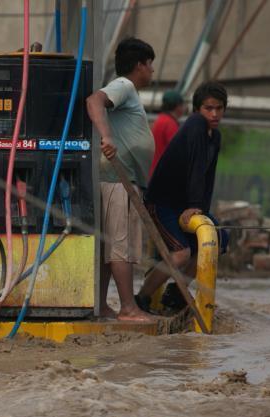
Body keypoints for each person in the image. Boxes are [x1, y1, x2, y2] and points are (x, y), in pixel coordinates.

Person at [137, 81, 230, 306]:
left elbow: (208, 176)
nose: (214, 113)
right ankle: (142, 299)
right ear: (197, 109)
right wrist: (194, 204)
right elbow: (196, 167)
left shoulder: (215, 137)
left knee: (219, 237)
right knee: (181, 253)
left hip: (184, 205)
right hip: (162, 202)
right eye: (209, 108)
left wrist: (203, 212)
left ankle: (176, 293)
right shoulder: (196, 124)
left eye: (219, 108)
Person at [86, 37, 156, 322]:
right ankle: (128, 308)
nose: (152, 71)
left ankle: (102, 305)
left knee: (109, 246)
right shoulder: (125, 85)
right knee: (120, 246)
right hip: (118, 179)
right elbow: (94, 100)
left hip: (118, 179)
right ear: (140, 65)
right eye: (150, 65)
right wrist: (107, 136)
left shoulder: (128, 93)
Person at [149, 90, 185, 175]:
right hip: (165, 174)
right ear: (178, 106)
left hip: (154, 171)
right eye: (182, 105)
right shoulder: (170, 124)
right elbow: (177, 152)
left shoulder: (159, 120)